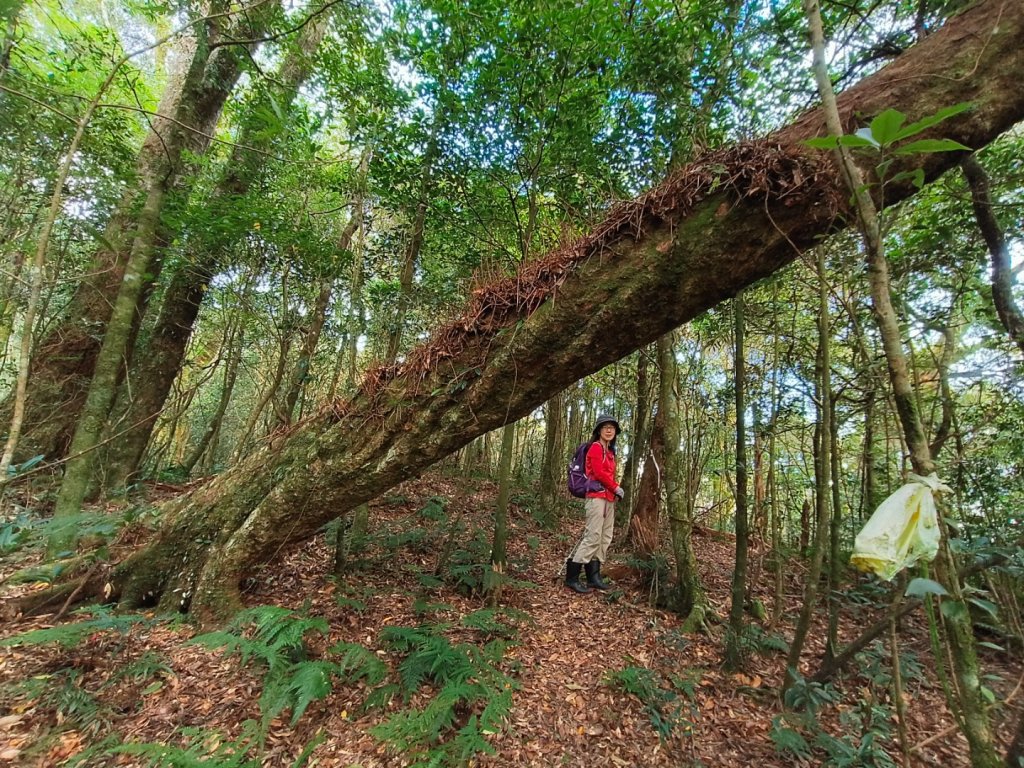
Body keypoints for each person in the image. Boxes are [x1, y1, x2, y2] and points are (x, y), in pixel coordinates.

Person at [565, 414, 624, 594]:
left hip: (608, 498)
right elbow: (598, 473)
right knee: (592, 536)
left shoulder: (611, 452)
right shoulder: (596, 448)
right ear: (599, 430)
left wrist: (613, 491)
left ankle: (594, 577)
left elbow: (609, 474)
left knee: (605, 537)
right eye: (605, 427)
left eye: (612, 428)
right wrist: (616, 487)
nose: (608, 430)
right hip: (596, 497)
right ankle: (572, 578)